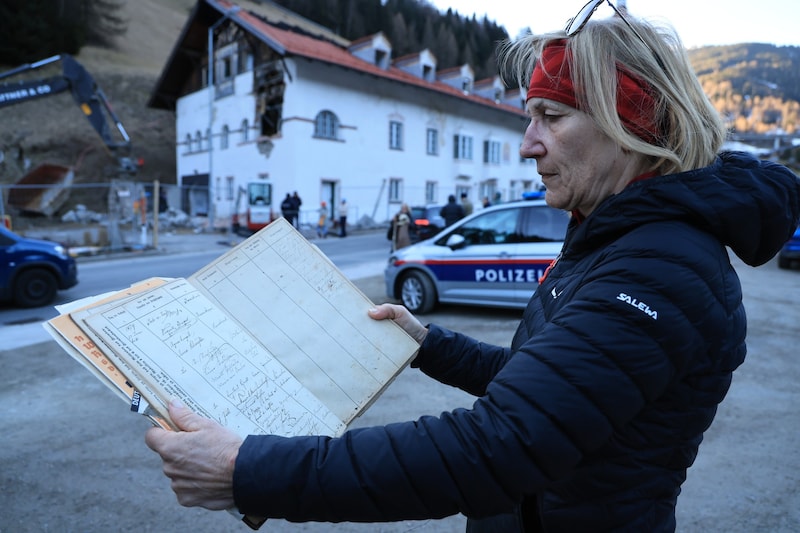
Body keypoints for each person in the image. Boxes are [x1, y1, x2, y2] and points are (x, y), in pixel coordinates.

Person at [144, 4, 800, 532]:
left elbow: (499, 446)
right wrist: (430, 344)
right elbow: (546, 386)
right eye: (528, 117)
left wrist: (245, 468)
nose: (528, 143)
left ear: (628, 126)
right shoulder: (614, 238)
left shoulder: (659, 267)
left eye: (551, 116)